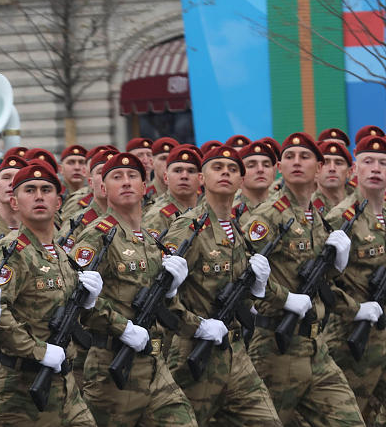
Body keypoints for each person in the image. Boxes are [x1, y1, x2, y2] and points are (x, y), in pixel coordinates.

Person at [244, 133, 363, 426]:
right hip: (276, 347)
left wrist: (336, 265)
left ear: (318, 168)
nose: (296, 162)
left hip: (315, 345)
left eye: (305, 156)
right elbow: (244, 274)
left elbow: (318, 276)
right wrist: (284, 298)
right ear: (280, 167)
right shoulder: (267, 217)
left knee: (349, 420)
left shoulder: (315, 218)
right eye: (289, 157)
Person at [73, 153, 199, 426]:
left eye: (133, 176)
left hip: (154, 363)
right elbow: (78, 300)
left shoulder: (151, 240)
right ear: (103, 188)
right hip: (112, 367)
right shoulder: (98, 236)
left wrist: (171, 294)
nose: (126, 182)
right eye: (117, 177)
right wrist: (123, 328)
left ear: (144, 186)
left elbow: (162, 304)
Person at [162, 145, 282, 425]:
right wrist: (198, 326)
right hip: (196, 352)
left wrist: (257, 290)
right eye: (217, 168)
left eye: (232, 169)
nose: (225, 173)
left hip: (236, 353)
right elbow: (163, 294)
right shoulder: (189, 227)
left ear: (241, 180)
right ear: (201, 179)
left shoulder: (236, 229)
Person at [0, 164, 100, 426]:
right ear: (14, 202)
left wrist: (90, 302)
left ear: (58, 202)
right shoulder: (12, 250)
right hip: (21, 389)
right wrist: (39, 351)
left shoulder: (60, 254)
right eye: (30, 190)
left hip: (65, 385)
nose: (39, 196)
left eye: (46, 190)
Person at [323, 136, 386, 423]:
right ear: (355, 170)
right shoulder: (341, 219)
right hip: (353, 338)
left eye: (382, 163)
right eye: (368, 162)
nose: (376, 168)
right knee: (351, 416)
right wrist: (355, 309)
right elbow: (321, 282)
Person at [143, 145, 202, 233]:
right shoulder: (158, 216)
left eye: (191, 171)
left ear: (200, 178)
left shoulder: (206, 211)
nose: (184, 176)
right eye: (177, 171)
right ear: (166, 177)